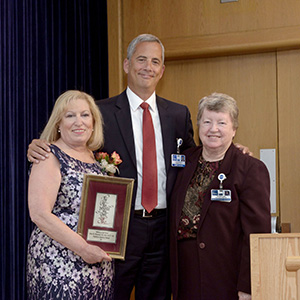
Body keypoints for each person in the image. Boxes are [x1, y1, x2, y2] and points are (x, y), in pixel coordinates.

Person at [27, 35, 251, 300]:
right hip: (116, 229)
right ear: (126, 64)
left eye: (155, 61)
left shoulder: (178, 115)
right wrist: (40, 146)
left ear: (162, 70)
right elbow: (74, 146)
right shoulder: (101, 113)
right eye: (141, 59)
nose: (148, 66)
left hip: (163, 228)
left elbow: (195, 157)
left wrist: (233, 152)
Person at [169, 92, 271, 300]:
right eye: (207, 121)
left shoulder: (250, 168)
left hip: (226, 276)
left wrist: (249, 285)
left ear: (234, 129)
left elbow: (257, 233)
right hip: (184, 274)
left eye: (221, 123)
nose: (213, 129)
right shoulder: (184, 162)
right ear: (198, 126)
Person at [26, 90, 114, 299]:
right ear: (58, 123)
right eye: (70, 115)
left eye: (85, 115)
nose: (79, 122)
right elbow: (39, 214)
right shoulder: (48, 155)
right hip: (58, 263)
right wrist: (83, 248)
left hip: (96, 263)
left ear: (93, 121)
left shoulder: (95, 158)